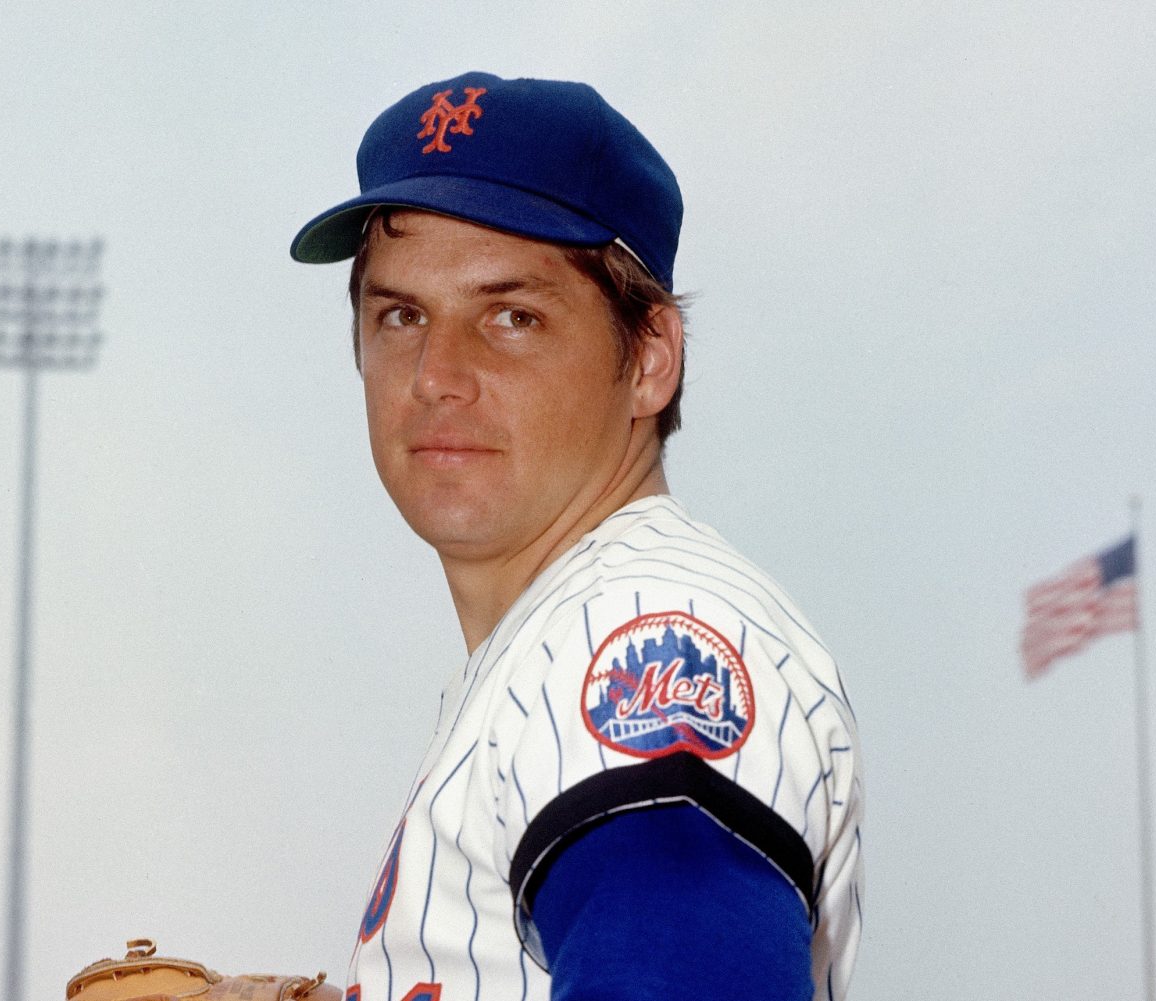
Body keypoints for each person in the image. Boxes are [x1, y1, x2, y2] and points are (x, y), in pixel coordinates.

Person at [290, 71, 862, 1001]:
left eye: (512, 317)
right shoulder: (540, 649)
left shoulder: (637, 629)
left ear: (649, 361)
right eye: (401, 314)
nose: (438, 374)